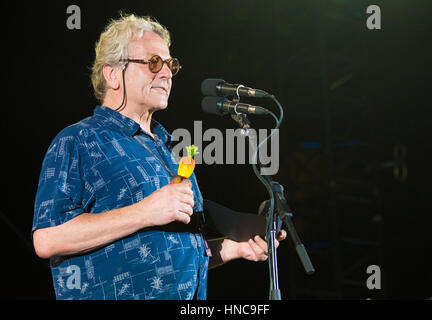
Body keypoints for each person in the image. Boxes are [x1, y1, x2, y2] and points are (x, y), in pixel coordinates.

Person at [32, 13, 286, 300]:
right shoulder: (79, 140)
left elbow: (172, 256)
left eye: (170, 64)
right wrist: (146, 211)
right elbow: (47, 238)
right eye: (153, 63)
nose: (166, 73)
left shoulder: (168, 150)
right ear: (113, 73)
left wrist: (232, 248)